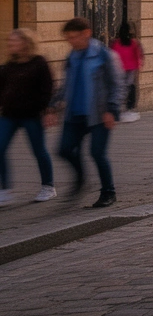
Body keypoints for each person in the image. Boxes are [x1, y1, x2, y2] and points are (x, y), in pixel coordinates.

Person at [57, 17, 125, 208]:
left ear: (86, 33)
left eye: (74, 37)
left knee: (97, 153)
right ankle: (80, 179)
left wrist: (112, 109)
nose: (71, 41)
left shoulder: (104, 54)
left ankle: (108, 192)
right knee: (64, 149)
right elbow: (66, 85)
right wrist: (53, 105)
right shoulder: (72, 56)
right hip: (75, 114)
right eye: (68, 38)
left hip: (99, 114)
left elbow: (117, 85)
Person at [0, 29, 57, 205]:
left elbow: (47, 89)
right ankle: (5, 190)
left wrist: (48, 111)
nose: (11, 45)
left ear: (26, 42)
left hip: (32, 115)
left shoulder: (39, 63)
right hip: (9, 114)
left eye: (14, 41)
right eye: (10, 42)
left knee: (38, 151)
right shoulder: (9, 65)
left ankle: (48, 186)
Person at [110, 23, 144, 123]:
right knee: (128, 88)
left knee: (120, 88)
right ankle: (127, 108)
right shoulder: (133, 43)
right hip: (130, 69)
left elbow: (112, 55)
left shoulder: (116, 43)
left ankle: (118, 108)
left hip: (119, 69)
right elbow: (138, 55)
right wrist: (139, 66)